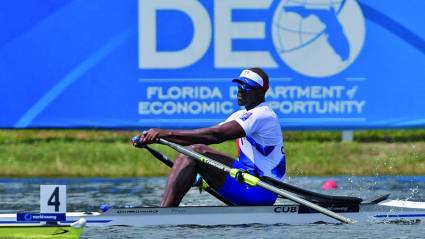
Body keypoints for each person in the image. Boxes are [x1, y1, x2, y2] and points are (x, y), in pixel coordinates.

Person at [133, 67, 286, 207]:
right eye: (239, 85)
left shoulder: (263, 115)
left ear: (261, 91)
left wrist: (163, 133)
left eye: (246, 86)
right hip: (246, 182)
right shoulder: (240, 115)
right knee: (191, 152)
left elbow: (215, 135)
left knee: (196, 151)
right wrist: (155, 138)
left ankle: (164, 213)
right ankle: (166, 210)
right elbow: (200, 137)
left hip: (261, 190)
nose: (240, 90)